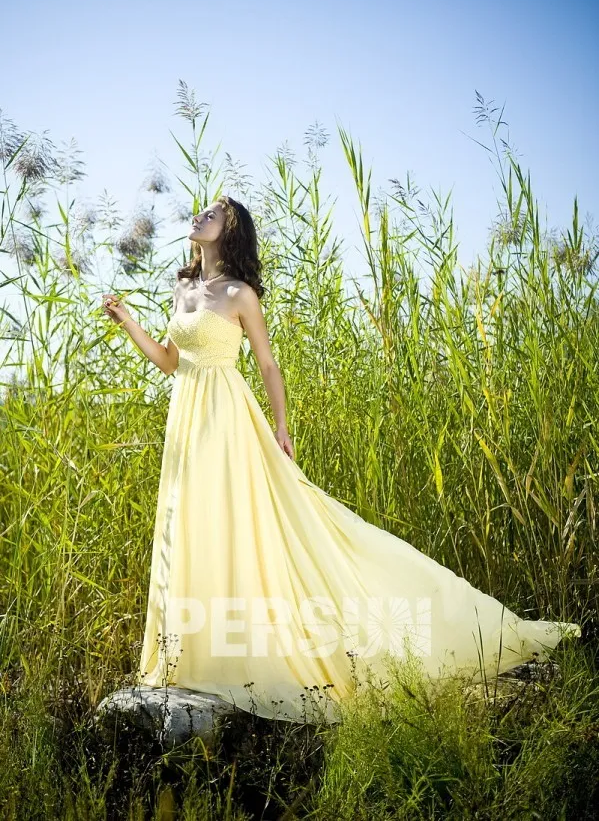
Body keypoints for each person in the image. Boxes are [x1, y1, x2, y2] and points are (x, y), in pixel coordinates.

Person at [102, 194, 581, 725]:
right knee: (189, 524)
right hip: (186, 418)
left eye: (212, 213)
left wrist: (282, 428)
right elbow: (170, 362)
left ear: (230, 229)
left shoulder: (241, 295)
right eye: (200, 212)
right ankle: (189, 654)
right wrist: (127, 321)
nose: (199, 217)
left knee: (245, 523)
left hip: (227, 416)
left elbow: (267, 365)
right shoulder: (183, 287)